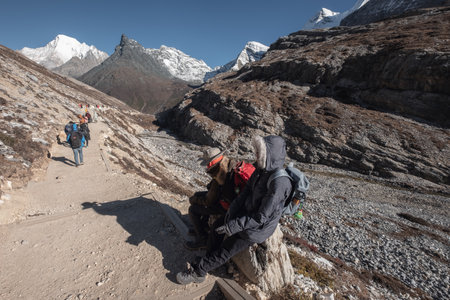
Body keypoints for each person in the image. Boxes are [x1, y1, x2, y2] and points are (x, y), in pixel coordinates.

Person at [176, 135, 292, 284]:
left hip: (257, 229)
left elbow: (260, 217)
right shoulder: (261, 170)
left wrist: (234, 225)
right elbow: (245, 192)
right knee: (218, 226)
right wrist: (232, 212)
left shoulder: (280, 183)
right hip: (247, 214)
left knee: (226, 249)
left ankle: (199, 272)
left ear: (270, 154)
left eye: (259, 152)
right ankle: (209, 259)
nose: (256, 155)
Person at [185, 148, 239, 251]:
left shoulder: (218, 173)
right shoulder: (228, 163)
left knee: (193, 209)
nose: (206, 166)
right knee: (198, 195)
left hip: (224, 206)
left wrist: (193, 200)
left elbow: (208, 201)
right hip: (231, 201)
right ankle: (202, 227)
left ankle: (202, 239)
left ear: (211, 163)